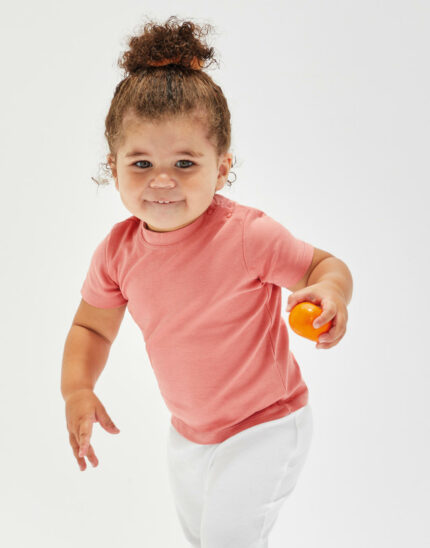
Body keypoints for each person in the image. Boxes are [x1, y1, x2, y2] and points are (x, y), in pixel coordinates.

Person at [61, 15, 353, 548]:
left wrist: (329, 291)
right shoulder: (117, 253)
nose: (162, 180)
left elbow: (324, 266)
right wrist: (77, 388)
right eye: (141, 162)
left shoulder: (246, 236)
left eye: (185, 162)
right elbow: (92, 329)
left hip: (266, 425)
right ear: (113, 166)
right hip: (189, 436)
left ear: (221, 167)